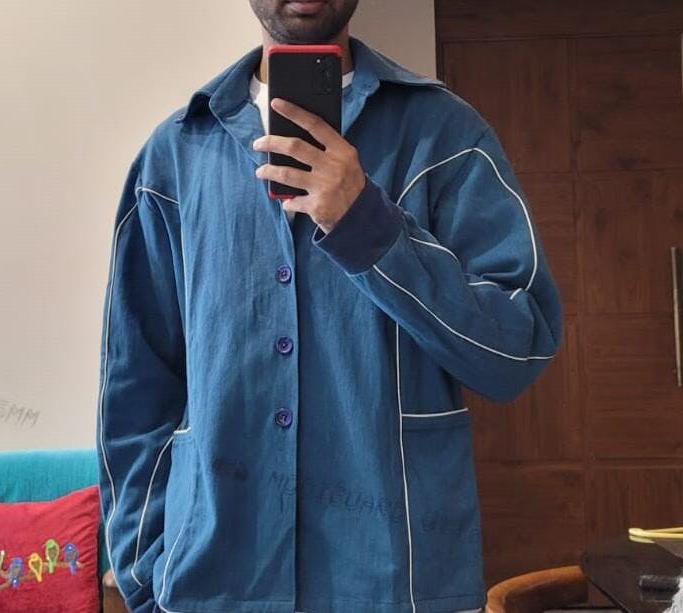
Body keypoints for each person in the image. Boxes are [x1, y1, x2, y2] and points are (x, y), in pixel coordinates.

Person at [95, 0, 563, 612]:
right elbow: (134, 386)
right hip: (210, 585)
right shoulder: (176, 155)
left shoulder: (446, 136)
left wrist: (367, 224)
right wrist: (142, 570)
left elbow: (515, 350)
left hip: (398, 585)